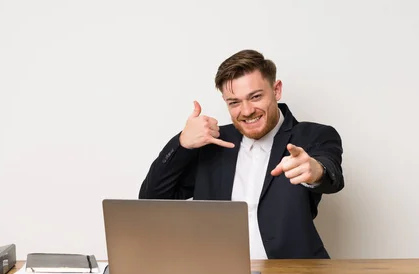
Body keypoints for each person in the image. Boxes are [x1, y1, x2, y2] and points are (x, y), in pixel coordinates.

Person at [138, 49, 344, 259]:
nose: (246, 111)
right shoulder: (212, 143)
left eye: (255, 97)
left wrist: (316, 170)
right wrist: (182, 144)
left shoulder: (314, 136)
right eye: (234, 102)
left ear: (277, 89)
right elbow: (152, 199)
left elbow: (331, 174)